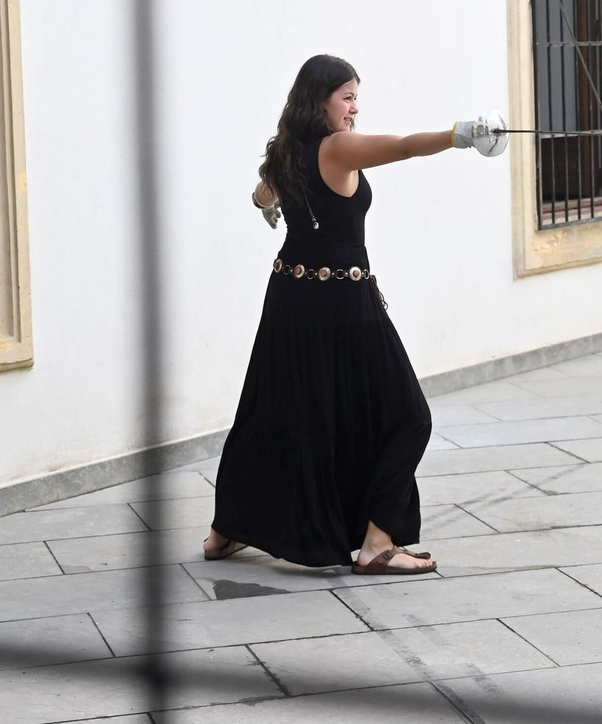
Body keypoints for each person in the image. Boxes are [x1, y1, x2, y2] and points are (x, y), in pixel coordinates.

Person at [204, 54, 505, 575]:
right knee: (409, 415)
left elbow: (261, 194)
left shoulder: (283, 151)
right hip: (343, 303)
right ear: (320, 100)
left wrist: (268, 205)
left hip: (288, 298)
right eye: (347, 97)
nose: (354, 108)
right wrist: (460, 134)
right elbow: (405, 147)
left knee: (272, 410)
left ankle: (225, 530)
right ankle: (377, 543)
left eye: (356, 97)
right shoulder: (337, 148)